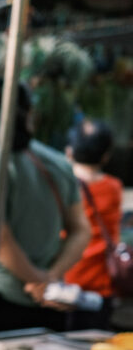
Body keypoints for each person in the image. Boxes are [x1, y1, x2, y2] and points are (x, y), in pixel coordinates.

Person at [0, 79, 92, 339]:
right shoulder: (58, 164)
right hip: (44, 305)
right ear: (31, 114)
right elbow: (81, 231)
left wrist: (37, 280)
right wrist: (49, 278)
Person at [64, 119, 122, 330]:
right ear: (106, 156)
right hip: (101, 285)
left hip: (64, 282)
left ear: (69, 151)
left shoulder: (64, 187)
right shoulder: (113, 188)